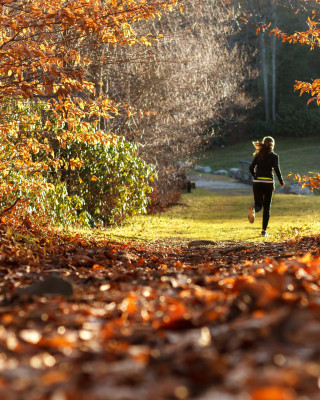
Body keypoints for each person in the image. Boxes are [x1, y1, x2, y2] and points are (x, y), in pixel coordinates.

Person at [248, 136, 284, 237]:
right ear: (273, 145)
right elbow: (276, 169)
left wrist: (255, 176)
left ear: (264, 143)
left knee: (258, 205)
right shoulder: (274, 156)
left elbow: (251, 167)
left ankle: (254, 209)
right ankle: (264, 231)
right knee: (267, 207)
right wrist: (281, 182)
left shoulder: (258, 155)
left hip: (257, 182)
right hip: (268, 183)